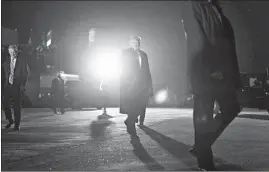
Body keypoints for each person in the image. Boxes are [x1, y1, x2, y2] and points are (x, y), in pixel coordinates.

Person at [182, 0, 242, 170]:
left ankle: (201, 146)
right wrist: (211, 68)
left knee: (232, 108)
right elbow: (196, 38)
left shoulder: (217, 9)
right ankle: (205, 162)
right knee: (203, 116)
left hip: (224, 73)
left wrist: (233, 76)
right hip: (205, 72)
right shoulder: (193, 6)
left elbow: (227, 45)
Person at [120, 36, 153, 139]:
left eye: (137, 42)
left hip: (143, 85)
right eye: (133, 42)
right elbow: (123, 67)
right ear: (130, 43)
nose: (136, 44)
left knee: (141, 106)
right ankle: (132, 128)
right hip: (130, 85)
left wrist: (150, 85)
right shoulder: (125, 52)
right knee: (132, 107)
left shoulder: (144, 54)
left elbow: (147, 71)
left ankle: (129, 121)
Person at [3, 44, 29, 131]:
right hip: (7, 85)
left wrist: (22, 85)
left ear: (16, 52)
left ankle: (17, 124)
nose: (12, 54)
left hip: (17, 86)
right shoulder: (6, 61)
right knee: (5, 103)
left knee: (16, 106)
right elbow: (5, 74)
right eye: (10, 52)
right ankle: (10, 120)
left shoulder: (22, 61)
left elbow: (25, 74)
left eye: (13, 52)